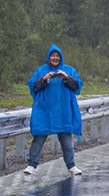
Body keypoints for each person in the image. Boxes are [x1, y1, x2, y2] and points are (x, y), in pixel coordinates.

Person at [23, 44, 84, 177]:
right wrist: (44, 79)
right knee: (39, 138)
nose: (55, 58)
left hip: (63, 111)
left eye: (57, 56)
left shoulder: (68, 70)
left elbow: (77, 87)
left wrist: (66, 78)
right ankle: (31, 165)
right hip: (45, 111)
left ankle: (71, 166)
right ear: (48, 57)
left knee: (67, 140)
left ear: (60, 57)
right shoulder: (41, 71)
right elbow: (34, 87)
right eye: (52, 56)